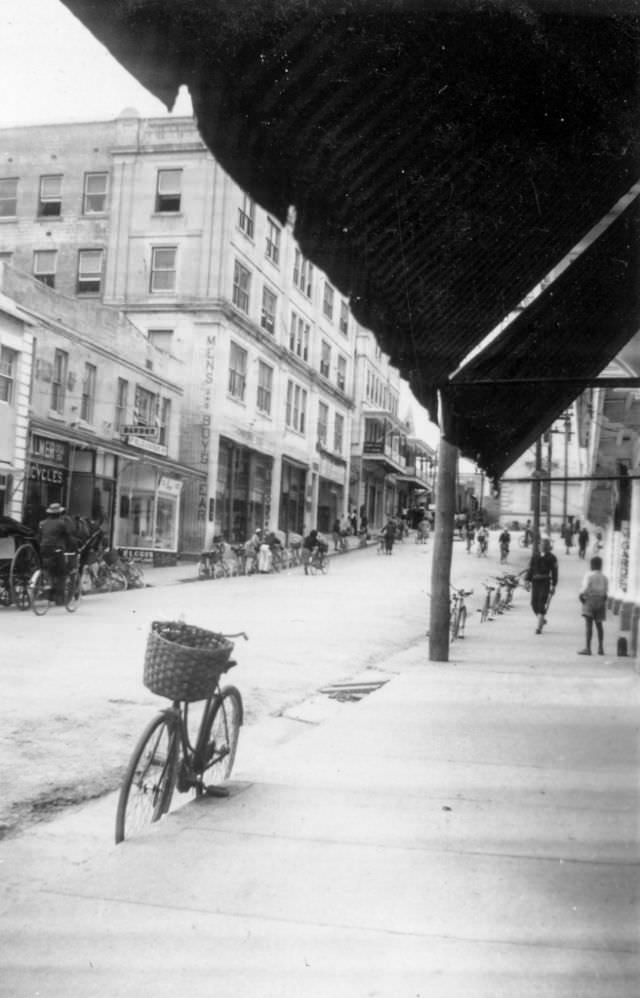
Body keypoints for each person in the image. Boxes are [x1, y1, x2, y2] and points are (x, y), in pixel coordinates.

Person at [37, 502, 77, 604]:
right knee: (62, 572)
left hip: (43, 550)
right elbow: (68, 537)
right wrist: (75, 547)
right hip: (57, 550)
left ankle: (48, 587)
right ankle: (59, 597)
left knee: (48, 568)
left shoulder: (42, 523)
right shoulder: (61, 523)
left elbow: (40, 536)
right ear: (59, 513)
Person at [524, 537, 558, 634]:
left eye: (544, 545)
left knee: (542, 602)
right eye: (541, 545)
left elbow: (555, 572)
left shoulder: (552, 558)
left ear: (548, 547)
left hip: (545, 582)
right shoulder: (535, 556)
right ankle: (541, 619)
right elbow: (530, 569)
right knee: (533, 603)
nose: (542, 547)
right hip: (535, 582)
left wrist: (554, 585)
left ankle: (539, 628)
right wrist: (527, 580)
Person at [577, 555, 608, 655]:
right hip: (600, 601)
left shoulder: (589, 576)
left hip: (589, 600)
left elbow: (585, 588)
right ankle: (600, 648)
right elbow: (606, 591)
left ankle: (588, 648)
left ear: (592, 565)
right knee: (599, 625)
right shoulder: (604, 577)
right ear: (600, 566)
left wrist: (581, 596)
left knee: (588, 625)